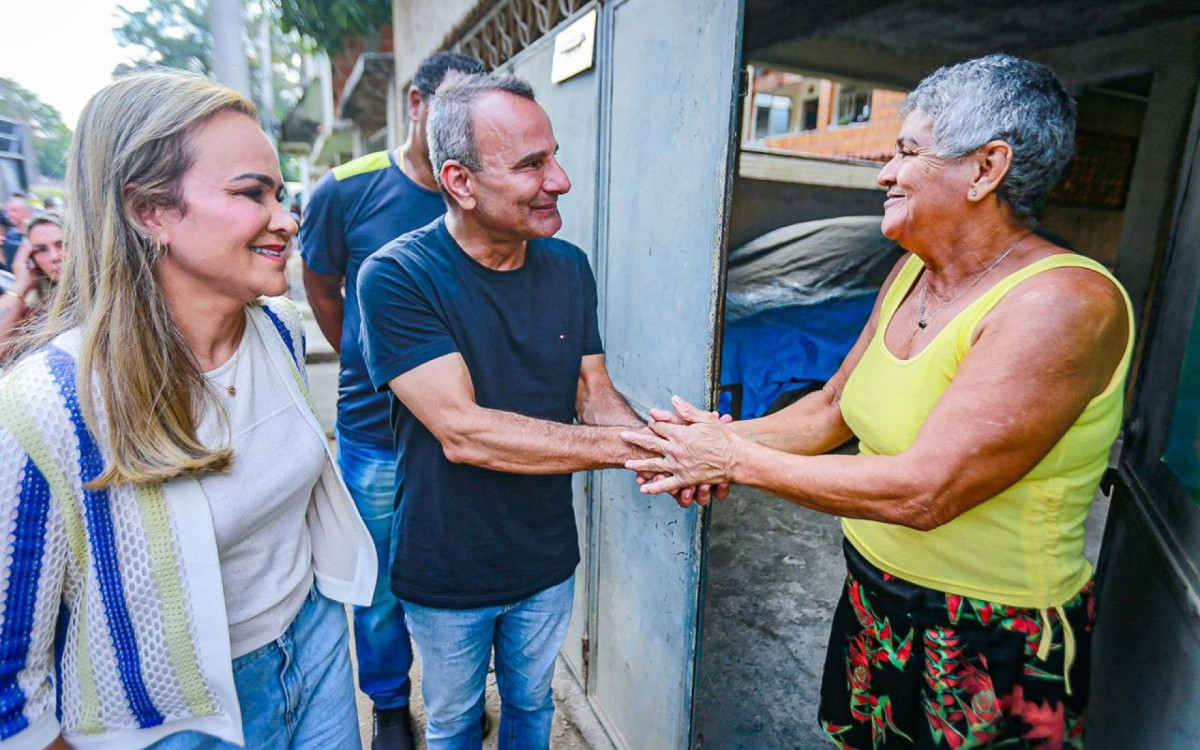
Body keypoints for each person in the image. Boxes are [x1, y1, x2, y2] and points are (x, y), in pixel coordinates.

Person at [622, 54, 1132, 749]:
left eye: (907, 152)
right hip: (875, 596)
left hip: (989, 633)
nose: (885, 173)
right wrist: (705, 445)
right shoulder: (911, 273)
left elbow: (927, 491)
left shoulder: (1062, 302)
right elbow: (832, 409)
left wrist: (731, 457)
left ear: (986, 169)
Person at [0, 70, 376, 749]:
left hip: (317, 657)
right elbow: (9, 676)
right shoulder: (49, 401)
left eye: (281, 194)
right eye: (251, 193)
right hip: (171, 723)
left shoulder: (281, 328)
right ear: (150, 211)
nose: (287, 220)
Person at [357, 73, 652, 750]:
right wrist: (639, 452)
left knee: (530, 706)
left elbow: (593, 394)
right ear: (459, 181)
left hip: (546, 556)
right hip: (447, 564)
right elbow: (463, 431)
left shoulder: (570, 267)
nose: (562, 180)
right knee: (458, 720)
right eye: (532, 165)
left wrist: (666, 444)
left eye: (553, 155)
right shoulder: (397, 277)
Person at [299, 49, 484, 750]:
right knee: (376, 580)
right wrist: (382, 362)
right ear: (415, 103)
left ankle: (454, 705)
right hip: (376, 429)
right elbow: (322, 289)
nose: (463, 126)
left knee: (451, 574)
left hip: (461, 426)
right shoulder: (345, 190)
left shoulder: (474, 186)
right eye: (453, 106)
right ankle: (387, 706)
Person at [0, 211, 64, 354]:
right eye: (41, 250)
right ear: (31, 258)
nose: (54, 257)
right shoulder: (34, 305)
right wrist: (20, 285)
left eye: (62, 244)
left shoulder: (108, 291)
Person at [3, 192, 32, 269]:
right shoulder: (10, 234)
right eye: (8, 211)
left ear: (27, 212)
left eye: (14, 210)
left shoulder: (35, 234)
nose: (10, 214)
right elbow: (7, 265)